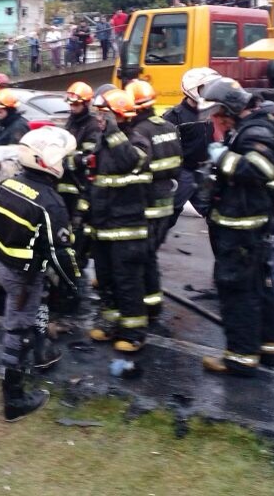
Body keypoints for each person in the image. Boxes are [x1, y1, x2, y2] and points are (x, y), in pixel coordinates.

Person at [0, 126, 81, 422]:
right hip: (23, 278)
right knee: (16, 333)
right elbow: (62, 252)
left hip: (2, 265)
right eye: (59, 159)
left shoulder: (5, 186)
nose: (62, 164)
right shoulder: (50, 203)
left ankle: (42, 352)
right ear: (44, 161)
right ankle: (14, 401)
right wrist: (75, 284)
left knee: (40, 305)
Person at [197, 77, 274, 377]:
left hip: (242, 228)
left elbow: (260, 169)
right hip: (249, 226)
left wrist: (224, 158)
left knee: (237, 291)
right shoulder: (252, 128)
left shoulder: (256, 132)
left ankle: (240, 358)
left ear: (232, 109)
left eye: (219, 113)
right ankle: (267, 349)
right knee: (260, 287)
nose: (216, 119)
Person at [86, 88, 152, 353]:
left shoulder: (139, 141)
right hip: (103, 227)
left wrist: (112, 132)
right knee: (106, 278)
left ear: (119, 116)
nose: (99, 120)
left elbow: (128, 162)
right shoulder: (104, 142)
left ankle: (134, 332)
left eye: (104, 114)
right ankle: (111, 323)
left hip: (127, 229)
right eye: (99, 114)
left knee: (128, 281)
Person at [126, 80, 182, 323]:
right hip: (166, 198)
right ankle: (153, 303)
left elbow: (136, 169)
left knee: (143, 256)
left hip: (147, 200)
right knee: (151, 253)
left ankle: (148, 306)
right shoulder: (169, 125)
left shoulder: (139, 132)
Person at [163, 67, 223, 231]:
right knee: (170, 212)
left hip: (206, 170)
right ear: (193, 87)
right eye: (207, 87)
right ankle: (151, 242)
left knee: (214, 213)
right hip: (184, 172)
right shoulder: (174, 116)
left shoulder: (213, 112)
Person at [59, 81, 100, 268]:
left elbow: (88, 157)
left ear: (86, 103)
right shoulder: (71, 121)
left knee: (78, 227)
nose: (72, 107)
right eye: (71, 104)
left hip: (80, 185)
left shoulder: (92, 126)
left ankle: (77, 263)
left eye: (76, 104)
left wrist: (67, 161)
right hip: (64, 184)